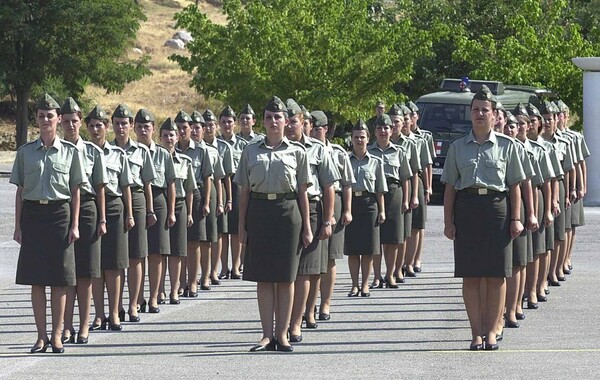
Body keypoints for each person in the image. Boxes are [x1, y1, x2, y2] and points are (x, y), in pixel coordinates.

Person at [441, 85, 525, 351]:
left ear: (494, 114)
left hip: (496, 210)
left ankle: (492, 330)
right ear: (470, 113)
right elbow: (450, 188)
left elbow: (515, 186)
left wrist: (516, 219)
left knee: (496, 275)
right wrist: (448, 222)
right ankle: (475, 333)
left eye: (484, 110)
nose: (479, 113)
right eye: (475, 109)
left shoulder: (507, 146)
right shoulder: (457, 147)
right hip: (467, 210)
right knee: (471, 276)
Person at [234, 96, 312, 352]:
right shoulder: (250, 150)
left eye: (278, 117)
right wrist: (241, 226)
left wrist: (308, 227)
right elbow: (243, 191)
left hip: (287, 213)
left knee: (286, 277)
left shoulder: (297, 152)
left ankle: (283, 333)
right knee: (264, 278)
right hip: (259, 212)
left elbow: (303, 192)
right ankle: (267, 334)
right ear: (263, 121)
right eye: (268, 117)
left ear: (286, 121)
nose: (273, 122)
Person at [11, 93, 85, 353]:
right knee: (36, 280)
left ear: (59, 120)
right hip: (33, 216)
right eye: (41, 116)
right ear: (36, 119)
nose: (45, 120)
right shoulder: (25, 153)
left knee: (59, 279)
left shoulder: (70, 152)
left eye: (50, 116)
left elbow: (76, 190)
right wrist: (18, 226)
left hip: (59, 216)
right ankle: (40, 336)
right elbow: (20, 192)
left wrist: (75, 224)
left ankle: (56, 336)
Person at [285, 100, 338, 343]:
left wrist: (327, 220)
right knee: (287, 271)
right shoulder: (276, 148)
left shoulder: (318, 149)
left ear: (304, 123)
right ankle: (284, 321)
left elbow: (328, 186)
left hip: (314, 209)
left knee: (307, 271)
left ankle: (298, 321)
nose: (289, 126)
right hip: (285, 208)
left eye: (294, 121)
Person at [60, 97, 107, 345]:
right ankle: (66, 327)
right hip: (62, 209)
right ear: (60, 122)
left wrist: (102, 219)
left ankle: (84, 326)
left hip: (88, 209)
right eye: (66, 121)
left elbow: (99, 187)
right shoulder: (55, 150)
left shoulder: (92, 152)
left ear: (81, 122)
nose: (70, 125)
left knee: (86, 273)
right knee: (66, 272)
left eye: (74, 121)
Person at [87, 105, 134, 332]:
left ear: (107, 127)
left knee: (114, 265)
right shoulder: (82, 152)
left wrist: (130, 214)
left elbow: (125, 186)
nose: (96, 129)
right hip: (91, 208)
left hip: (115, 208)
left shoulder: (118, 154)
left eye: (100, 125)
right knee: (95, 265)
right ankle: (99, 314)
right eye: (92, 125)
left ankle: (115, 312)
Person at [111, 104, 156, 321]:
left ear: (131, 125)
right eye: (117, 123)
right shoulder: (106, 151)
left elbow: (147, 183)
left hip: (137, 199)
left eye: (125, 123)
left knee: (137, 255)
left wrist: (149, 210)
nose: (121, 127)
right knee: (117, 257)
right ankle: (116, 305)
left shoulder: (142, 151)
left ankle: (134, 304)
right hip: (114, 198)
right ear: (112, 125)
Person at [310, 111, 355, 320]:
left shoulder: (337, 152)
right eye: (312, 128)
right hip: (313, 202)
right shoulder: (306, 151)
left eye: (319, 128)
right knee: (311, 261)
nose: (315, 132)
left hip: (334, 201)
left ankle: (325, 304)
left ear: (326, 129)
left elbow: (346, 184)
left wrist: (346, 210)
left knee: (329, 259)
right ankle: (307, 306)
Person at [134, 108, 176, 312]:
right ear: (135, 128)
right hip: (136, 199)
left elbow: (171, 184)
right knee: (139, 252)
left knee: (157, 252)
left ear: (153, 129)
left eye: (147, 127)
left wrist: (171, 211)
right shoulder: (130, 151)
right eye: (140, 126)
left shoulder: (163, 154)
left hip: (159, 200)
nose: (143, 130)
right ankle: (138, 297)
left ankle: (153, 297)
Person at [501, 110, 537, 329]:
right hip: (496, 208)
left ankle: (513, 307)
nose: (510, 129)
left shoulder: (520, 150)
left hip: (518, 208)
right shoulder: (497, 146)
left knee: (517, 261)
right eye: (506, 125)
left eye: (513, 126)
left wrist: (531, 213)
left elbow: (526, 185)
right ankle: (499, 310)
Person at [368, 112, 411, 289]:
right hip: (374, 193)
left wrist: (406, 200)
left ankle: (390, 274)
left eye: (386, 128)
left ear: (392, 130)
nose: (383, 131)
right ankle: (376, 276)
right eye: (379, 128)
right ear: (375, 131)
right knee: (376, 237)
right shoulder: (369, 151)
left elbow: (405, 178)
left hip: (394, 193)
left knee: (393, 238)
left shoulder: (399, 152)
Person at [345, 119, 387, 297]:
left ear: (368, 138)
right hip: (351, 204)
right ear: (352, 139)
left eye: (362, 137)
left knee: (368, 249)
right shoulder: (345, 160)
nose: (359, 140)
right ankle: (354, 285)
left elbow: (379, 189)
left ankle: (365, 285)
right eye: (356, 137)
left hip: (370, 206)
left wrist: (382, 210)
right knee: (353, 249)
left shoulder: (376, 162)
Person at [175, 110, 213, 298]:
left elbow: (207, 178)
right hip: (176, 196)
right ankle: (180, 283)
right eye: (179, 128)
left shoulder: (201, 150)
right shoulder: (170, 149)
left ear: (191, 129)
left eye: (185, 128)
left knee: (194, 242)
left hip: (196, 194)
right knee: (179, 243)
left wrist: (206, 202)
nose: (182, 132)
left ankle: (193, 281)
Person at [160, 117, 196, 304]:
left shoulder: (185, 161)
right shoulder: (154, 158)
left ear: (177, 138)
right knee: (159, 250)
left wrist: (189, 213)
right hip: (160, 204)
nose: (169, 139)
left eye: (171, 135)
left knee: (177, 250)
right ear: (160, 138)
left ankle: (174, 290)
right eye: (165, 135)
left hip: (180, 205)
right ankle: (159, 290)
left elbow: (190, 189)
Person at [203, 109, 234, 286]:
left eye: (211, 125)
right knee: (204, 236)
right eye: (205, 125)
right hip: (202, 191)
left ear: (216, 126)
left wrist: (227, 199)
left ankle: (215, 270)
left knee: (218, 233)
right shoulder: (198, 147)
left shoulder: (223, 147)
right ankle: (205, 272)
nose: (208, 128)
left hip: (218, 190)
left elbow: (226, 177)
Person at [217, 106, 248, 280]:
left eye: (230, 122)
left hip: (238, 186)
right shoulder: (215, 144)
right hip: (220, 185)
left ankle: (236, 266)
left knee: (236, 229)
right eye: (223, 122)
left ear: (235, 124)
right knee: (222, 230)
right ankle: (223, 268)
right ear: (219, 124)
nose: (227, 125)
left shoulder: (243, 145)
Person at [405, 101, 434, 274]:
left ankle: (416, 259)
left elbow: (426, 165)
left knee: (418, 224)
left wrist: (428, 188)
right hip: (404, 182)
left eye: (413, 115)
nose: (411, 119)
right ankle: (403, 262)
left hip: (419, 181)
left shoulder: (424, 137)